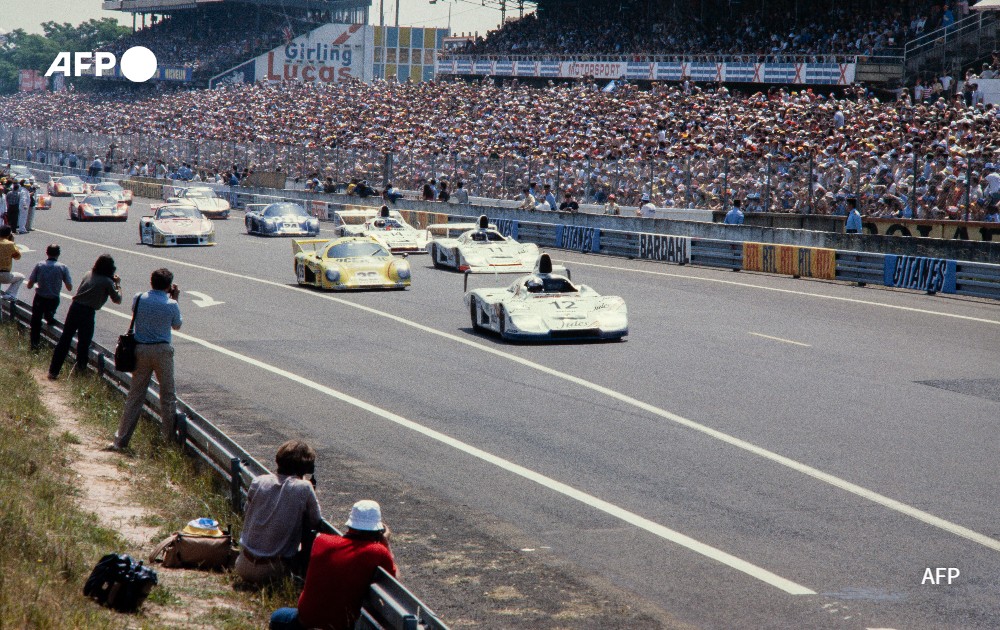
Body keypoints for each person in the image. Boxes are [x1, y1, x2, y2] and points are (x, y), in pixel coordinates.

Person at [269, 500, 397, 630]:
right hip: (340, 626)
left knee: (278, 616)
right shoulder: (377, 551)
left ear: (350, 524)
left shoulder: (321, 540)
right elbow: (395, 580)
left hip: (305, 622)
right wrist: (386, 544)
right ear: (377, 530)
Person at [110, 268, 182, 451]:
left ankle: (121, 439)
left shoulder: (139, 298)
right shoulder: (171, 304)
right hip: (162, 351)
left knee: (135, 396)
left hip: (140, 350)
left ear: (151, 282)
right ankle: (168, 441)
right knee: (167, 397)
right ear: (168, 285)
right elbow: (177, 325)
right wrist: (174, 298)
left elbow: (136, 313)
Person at [236, 440, 323, 585]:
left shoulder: (259, 481)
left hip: (243, 564)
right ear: (306, 467)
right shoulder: (304, 488)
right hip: (272, 570)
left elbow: (247, 511)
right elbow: (316, 520)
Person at [48, 254, 121, 379]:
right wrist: (118, 284)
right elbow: (117, 299)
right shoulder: (107, 282)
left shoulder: (88, 273)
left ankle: (53, 371)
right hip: (87, 313)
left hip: (74, 308)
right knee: (83, 345)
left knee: (65, 340)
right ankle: (79, 374)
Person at [26, 244, 73, 351]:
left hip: (40, 297)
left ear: (47, 253)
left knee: (36, 322)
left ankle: (34, 345)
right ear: (58, 254)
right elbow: (69, 287)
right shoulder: (62, 267)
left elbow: (29, 285)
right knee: (49, 314)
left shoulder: (40, 265)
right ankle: (50, 316)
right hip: (53, 299)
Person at [0, 225, 24, 302]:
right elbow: (17, 256)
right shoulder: (10, 244)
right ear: (9, 234)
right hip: (4, 274)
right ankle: (10, 294)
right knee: (21, 277)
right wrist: (12, 242)